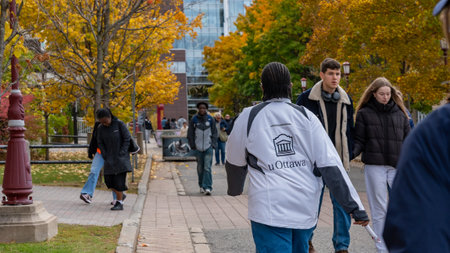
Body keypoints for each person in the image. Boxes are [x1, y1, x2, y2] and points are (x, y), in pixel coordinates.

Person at [226, 62, 369, 253]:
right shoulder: (307, 116)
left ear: (262, 87)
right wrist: (355, 207)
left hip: (268, 207)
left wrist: (235, 189)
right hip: (304, 205)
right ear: (290, 87)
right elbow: (331, 165)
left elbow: (234, 160)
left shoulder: (249, 116)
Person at [382, 2, 450, 252]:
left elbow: (415, 238)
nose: (385, 96)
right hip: (381, 164)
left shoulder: (434, 134)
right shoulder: (433, 136)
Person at [296, 58, 355, 253]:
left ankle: (342, 246)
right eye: (331, 73)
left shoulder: (346, 100)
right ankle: (307, 241)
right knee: (312, 204)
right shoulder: (305, 99)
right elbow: (298, 130)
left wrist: (350, 153)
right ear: (322, 75)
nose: (335, 77)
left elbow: (351, 131)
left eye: (338, 74)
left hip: (338, 160)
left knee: (342, 205)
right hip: (314, 162)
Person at [352, 77, 410, 253]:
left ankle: (402, 242)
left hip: (396, 165)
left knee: (403, 204)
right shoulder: (364, 114)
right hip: (374, 165)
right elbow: (359, 141)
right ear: (374, 94)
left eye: (388, 94)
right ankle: (382, 247)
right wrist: (346, 156)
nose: (385, 97)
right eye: (381, 94)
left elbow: (409, 140)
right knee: (379, 208)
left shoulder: (401, 114)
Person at [96, 108, 132, 211]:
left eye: (105, 121)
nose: (104, 124)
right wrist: (104, 153)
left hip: (120, 158)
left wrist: (122, 152)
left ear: (110, 117)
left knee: (118, 181)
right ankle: (120, 195)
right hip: (108, 158)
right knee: (108, 181)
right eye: (102, 122)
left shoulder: (119, 124)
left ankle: (119, 203)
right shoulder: (100, 128)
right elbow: (100, 142)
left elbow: (127, 138)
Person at [79, 120, 119, 204]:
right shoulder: (98, 124)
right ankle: (87, 193)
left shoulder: (116, 123)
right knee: (94, 171)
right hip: (100, 152)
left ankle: (117, 198)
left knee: (114, 174)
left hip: (113, 153)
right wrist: (90, 152)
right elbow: (94, 138)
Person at [187, 102, 217, 196]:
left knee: (207, 167)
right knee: (200, 168)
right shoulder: (194, 119)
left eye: (204, 108)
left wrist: (213, 144)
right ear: (198, 109)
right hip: (198, 148)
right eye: (200, 108)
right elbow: (190, 133)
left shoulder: (210, 119)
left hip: (208, 147)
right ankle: (201, 185)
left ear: (206, 109)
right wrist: (192, 145)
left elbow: (215, 133)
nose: (202, 110)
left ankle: (208, 187)